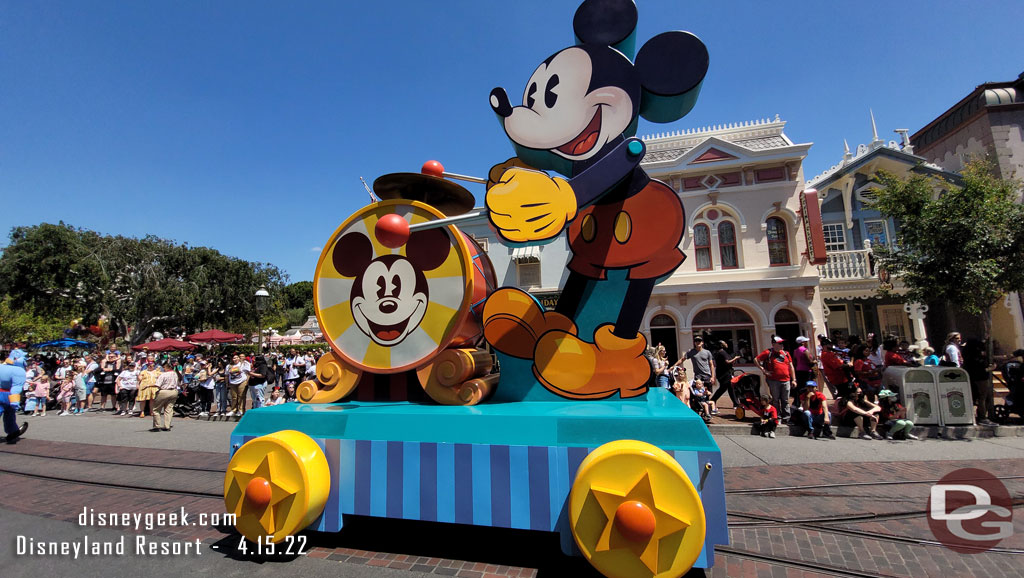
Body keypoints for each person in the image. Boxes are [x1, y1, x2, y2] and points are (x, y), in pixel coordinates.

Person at [755, 336, 795, 423]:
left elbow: (791, 366)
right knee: (775, 399)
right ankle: (777, 417)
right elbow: (756, 359)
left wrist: (794, 379)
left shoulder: (786, 353)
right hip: (773, 380)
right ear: (773, 344)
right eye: (779, 343)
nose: (781, 345)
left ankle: (787, 418)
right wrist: (764, 370)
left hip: (786, 380)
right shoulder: (768, 352)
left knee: (785, 400)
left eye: (782, 343)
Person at [962, 338, 995, 425]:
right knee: (983, 397)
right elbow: (980, 369)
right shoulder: (975, 356)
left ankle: (981, 416)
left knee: (981, 397)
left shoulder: (967, 354)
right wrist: (989, 369)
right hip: (980, 377)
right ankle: (982, 417)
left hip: (973, 377)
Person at [0, 349, 30, 442]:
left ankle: (13, 431)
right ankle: (12, 432)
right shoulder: (18, 371)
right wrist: (15, 401)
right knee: (9, 415)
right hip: (7, 395)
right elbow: (16, 388)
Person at [149, 361, 179, 432]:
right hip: (173, 391)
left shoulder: (163, 375)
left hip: (164, 391)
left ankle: (157, 426)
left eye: (164, 367)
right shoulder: (175, 374)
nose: (163, 369)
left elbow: (158, 384)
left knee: (156, 409)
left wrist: (148, 385)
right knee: (169, 409)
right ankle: (167, 426)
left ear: (166, 367)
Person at [711, 341, 740, 407]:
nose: (726, 344)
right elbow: (727, 362)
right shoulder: (722, 352)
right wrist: (735, 358)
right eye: (725, 343)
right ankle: (713, 400)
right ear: (721, 345)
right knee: (724, 388)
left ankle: (736, 403)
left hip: (722, 373)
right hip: (724, 374)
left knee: (729, 388)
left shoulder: (720, 352)